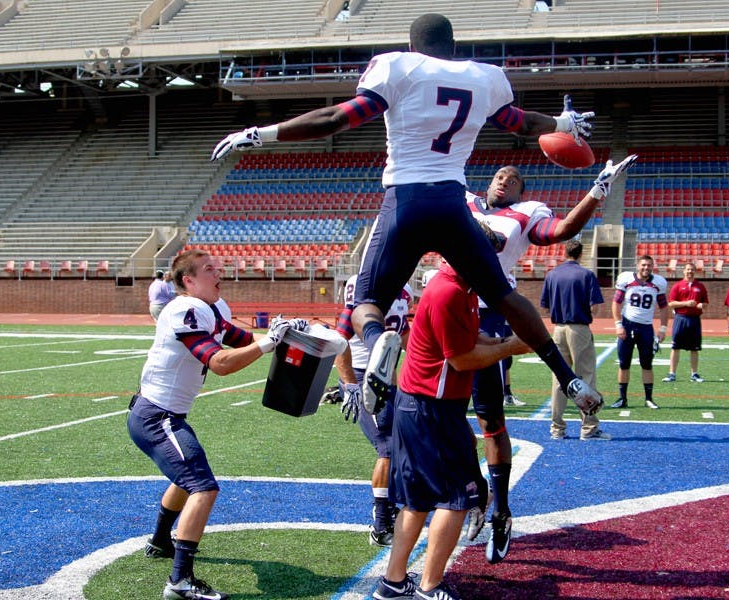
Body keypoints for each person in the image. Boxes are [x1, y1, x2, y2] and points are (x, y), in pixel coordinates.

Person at [210, 13, 603, 428]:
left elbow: (336, 119)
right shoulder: (483, 77)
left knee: (366, 303)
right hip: (452, 203)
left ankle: (380, 344)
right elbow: (521, 124)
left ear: (412, 47)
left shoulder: (397, 67)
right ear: (453, 48)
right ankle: (569, 378)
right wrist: (563, 123)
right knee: (506, 297)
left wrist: (260, 134)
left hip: (405, 200)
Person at [462, 159, 634, 562]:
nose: (505, 180)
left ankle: (501, 510)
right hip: (445, 306)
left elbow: (561, 231)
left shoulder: (525, 214)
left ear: (523, 191)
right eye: (500, 174)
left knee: (489, 420)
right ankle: (475, 490)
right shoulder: (462, 199)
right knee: (439, 416)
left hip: (488, 311)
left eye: (515, 178)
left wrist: (597, 192)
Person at [127, 249, 307, 600]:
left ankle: (161, 540)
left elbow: (242, 341)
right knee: (203, 487)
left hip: (164, 414)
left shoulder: (210, 309)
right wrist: (270, 342)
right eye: (209, 269)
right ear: (187, 281)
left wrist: (281, 333)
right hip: (155, 416)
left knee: (188, 477)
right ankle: (180, 581)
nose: (218, 272)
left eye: (217, 267)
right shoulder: (184, 308)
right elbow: (221, 362)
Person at [374, 259, 532, 600]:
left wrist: (503, 341)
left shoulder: (460, 289)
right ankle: (430, 586)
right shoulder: (450, 291)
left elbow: (471, 337)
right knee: (458, 497)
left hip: (425, 406)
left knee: (417, 501)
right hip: (432, 408)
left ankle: (393, 582)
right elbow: (461, 358)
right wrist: (510, 347)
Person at [334, 274, 414, 547]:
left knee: (404, 444)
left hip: (389, 379)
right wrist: (349, 385)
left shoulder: (404, 291)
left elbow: (403, 332)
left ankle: (392, 502)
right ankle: (380, 523)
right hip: (361, 376)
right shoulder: (365, 285)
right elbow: (339, 341)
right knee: (388, 447)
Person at [540, 239, 608, 440]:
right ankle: (589, 428)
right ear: (581, 254)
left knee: (559, 378)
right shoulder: (586, 275)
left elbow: (545, 305)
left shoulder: (552, 274)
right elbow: (595, 306)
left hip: (558, 328)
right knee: (585, 376)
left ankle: (557, 428)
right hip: (579, 328)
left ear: (565, 252)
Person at [610, 255, 669, 410]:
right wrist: (618, 325)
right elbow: (616, 303)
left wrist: (663, 328)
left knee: (647, 364)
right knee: (624, 364)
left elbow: (664, 307)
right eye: (643, 265)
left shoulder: (658, 283)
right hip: (627, 325)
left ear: (653, 266)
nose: (646, 268)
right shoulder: (626, 279)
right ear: (638, 265)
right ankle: (623, 399)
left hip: (645, 328)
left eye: (649, 265)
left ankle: (648, 399)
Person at [663, 262, 709, 383]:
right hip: (680, 318)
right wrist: (685, 303)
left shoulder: (700, 286)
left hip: (694, 320)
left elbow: (706, 304)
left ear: (695, 271)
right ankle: (672, 374)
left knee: (695, 348)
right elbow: (671, 303)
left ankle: (694, 374)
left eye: (692, 270)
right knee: (676, 347)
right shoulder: (678, 286)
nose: (690, 272)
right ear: (684, 271)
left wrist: (701, 305)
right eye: (688, 269)